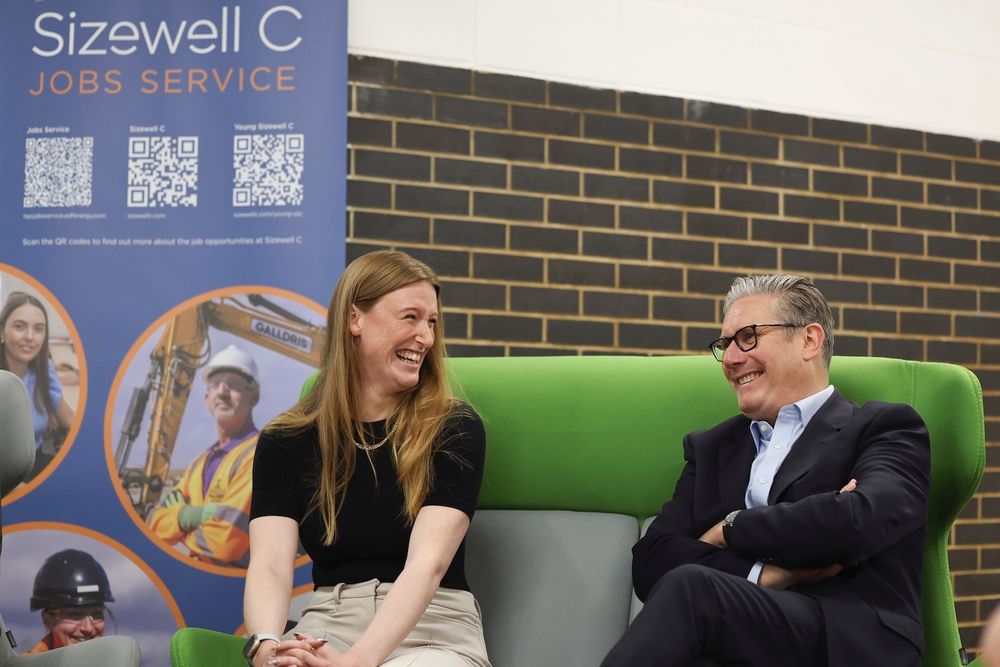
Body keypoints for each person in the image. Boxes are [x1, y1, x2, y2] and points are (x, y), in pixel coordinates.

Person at [602, 274, 931, 667]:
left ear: (809, 340)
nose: (730, 358)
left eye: (748, 337)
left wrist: (729, 529)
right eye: (725, 344)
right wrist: (763, 573)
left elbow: (856, 522)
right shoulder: (712, 448)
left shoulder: (884, 427)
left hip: (845, 639)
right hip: (735, 639)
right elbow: (652, 562)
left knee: (693, 589)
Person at [243, 250, 490, 667]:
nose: (426, 338)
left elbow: (428, 564)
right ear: (355, 319)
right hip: (327, 624)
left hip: (432, 629)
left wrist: (357, 662)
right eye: (410, 317)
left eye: (431, 322)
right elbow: (269, 566)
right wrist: (267, 646)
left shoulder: (453, 427)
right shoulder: (286, 439)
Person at [148, 344, 261, 568]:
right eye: (215, 384)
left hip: (240, 582)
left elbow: (224, 544)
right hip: (197, 578)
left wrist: (179, 523)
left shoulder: (262, 455)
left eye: (233, 384)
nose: (222, 391)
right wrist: (187, 517)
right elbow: (155, 526)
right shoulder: (198, 463)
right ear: (206, 399)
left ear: (254, 397)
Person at [0, 291, 74, 480]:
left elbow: (71, 421)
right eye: (19, 327)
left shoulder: (44, 372)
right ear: (2, 332)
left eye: (39, 329)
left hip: (35, 466)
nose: (30, 336)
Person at [24, 549, 115, 653]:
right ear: (47, 620)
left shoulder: (122, 659)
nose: (88, 628)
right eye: (75, 615)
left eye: (97, 614)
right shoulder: (27, 661)